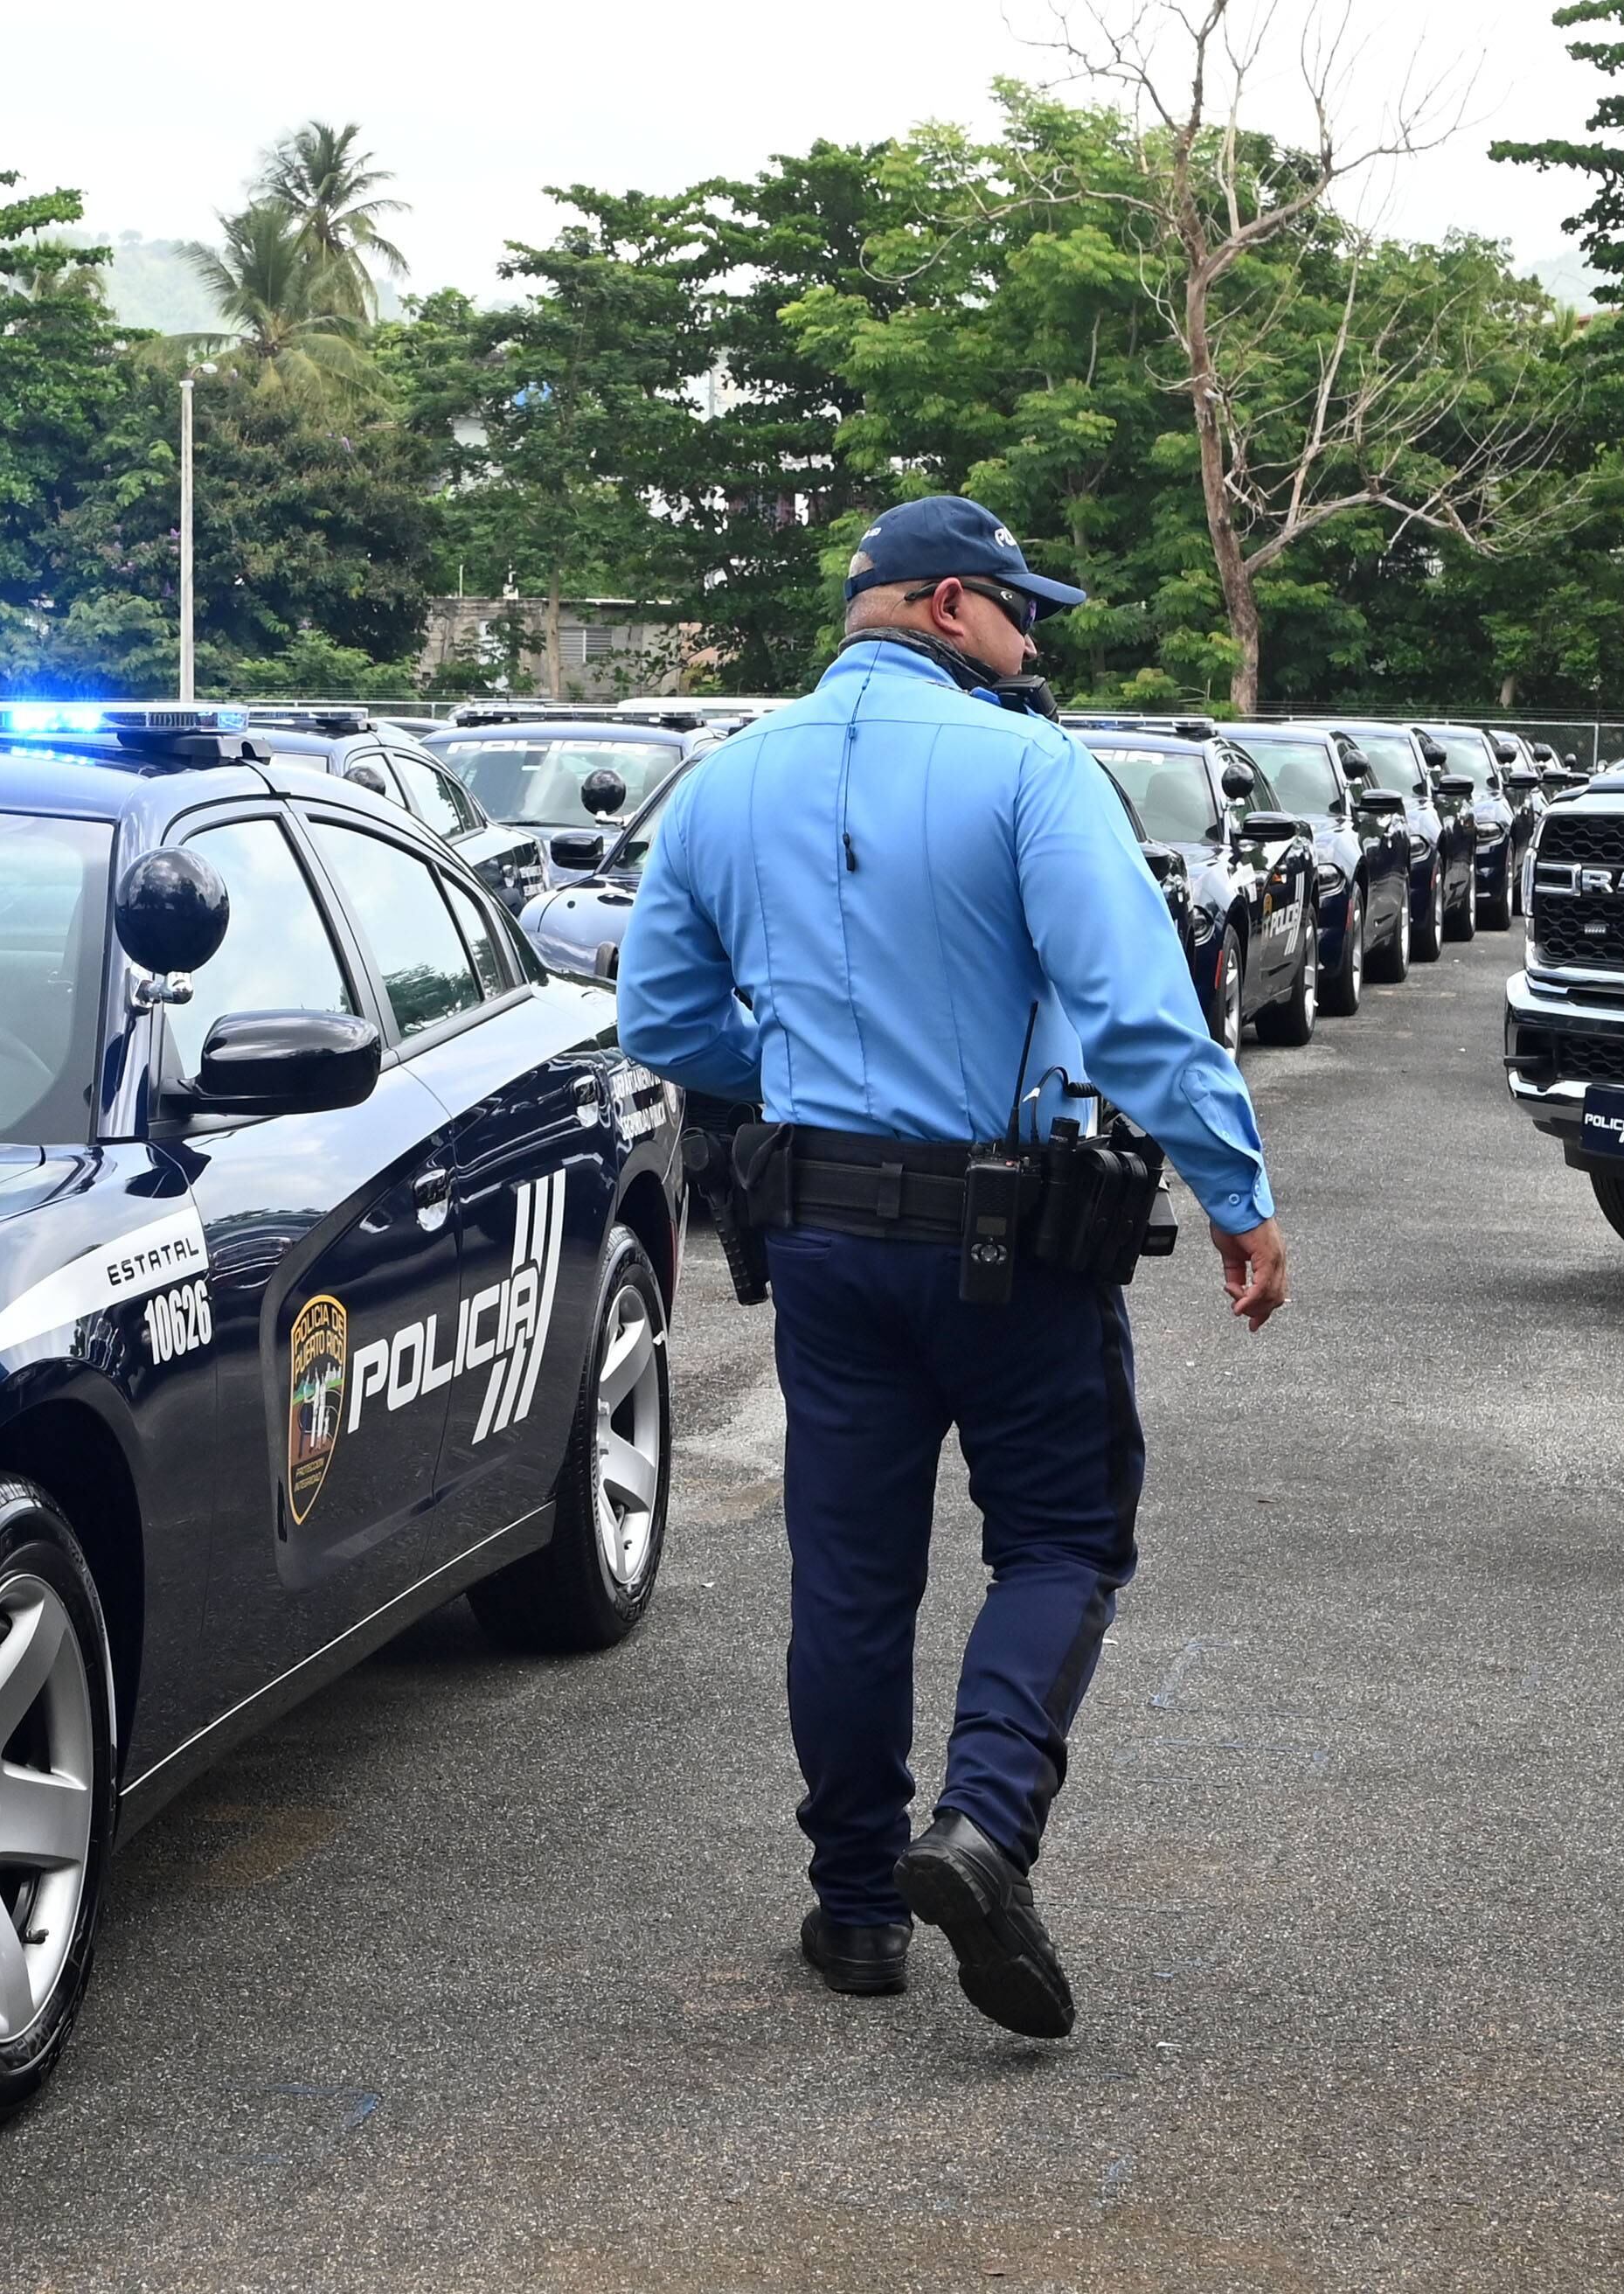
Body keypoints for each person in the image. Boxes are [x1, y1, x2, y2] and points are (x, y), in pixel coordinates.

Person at [614, 495, 1288, 2039]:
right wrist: (1237, 1193)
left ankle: (858, 1909)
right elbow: (1135, 1014)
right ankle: (983, 1827)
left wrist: (799, 1077)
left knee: (851, 1577)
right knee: (1061, 1539)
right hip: (1011, 1242)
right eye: (1014, 608)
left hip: (823, 1236)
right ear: (940, 607)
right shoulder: (1030, 769)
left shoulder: (724, 782)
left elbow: (663, 1015)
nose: (1030, 639)